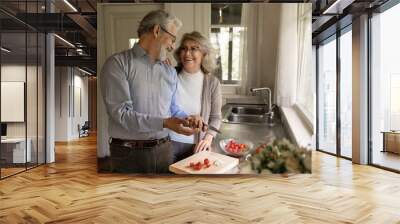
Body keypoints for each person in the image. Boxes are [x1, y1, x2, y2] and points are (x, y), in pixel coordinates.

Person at [100, 10, 204, 173]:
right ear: (157, 31)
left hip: (164, 150)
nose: (172, 46)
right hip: (128, 154)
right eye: (172, 38)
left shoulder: (169, 71)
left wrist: (189, 118)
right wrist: (164, 122)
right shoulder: (117, 64)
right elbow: (121, 114)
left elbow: (173, 108)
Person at [169, 31, 222, 162]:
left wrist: (208, 138)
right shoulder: (168, 75)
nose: (187, 54)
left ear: (204, 54)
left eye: (194, 49)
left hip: (197, 146)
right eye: (184, 49)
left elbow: (216, 118)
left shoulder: (212, 83)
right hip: (167, 144)